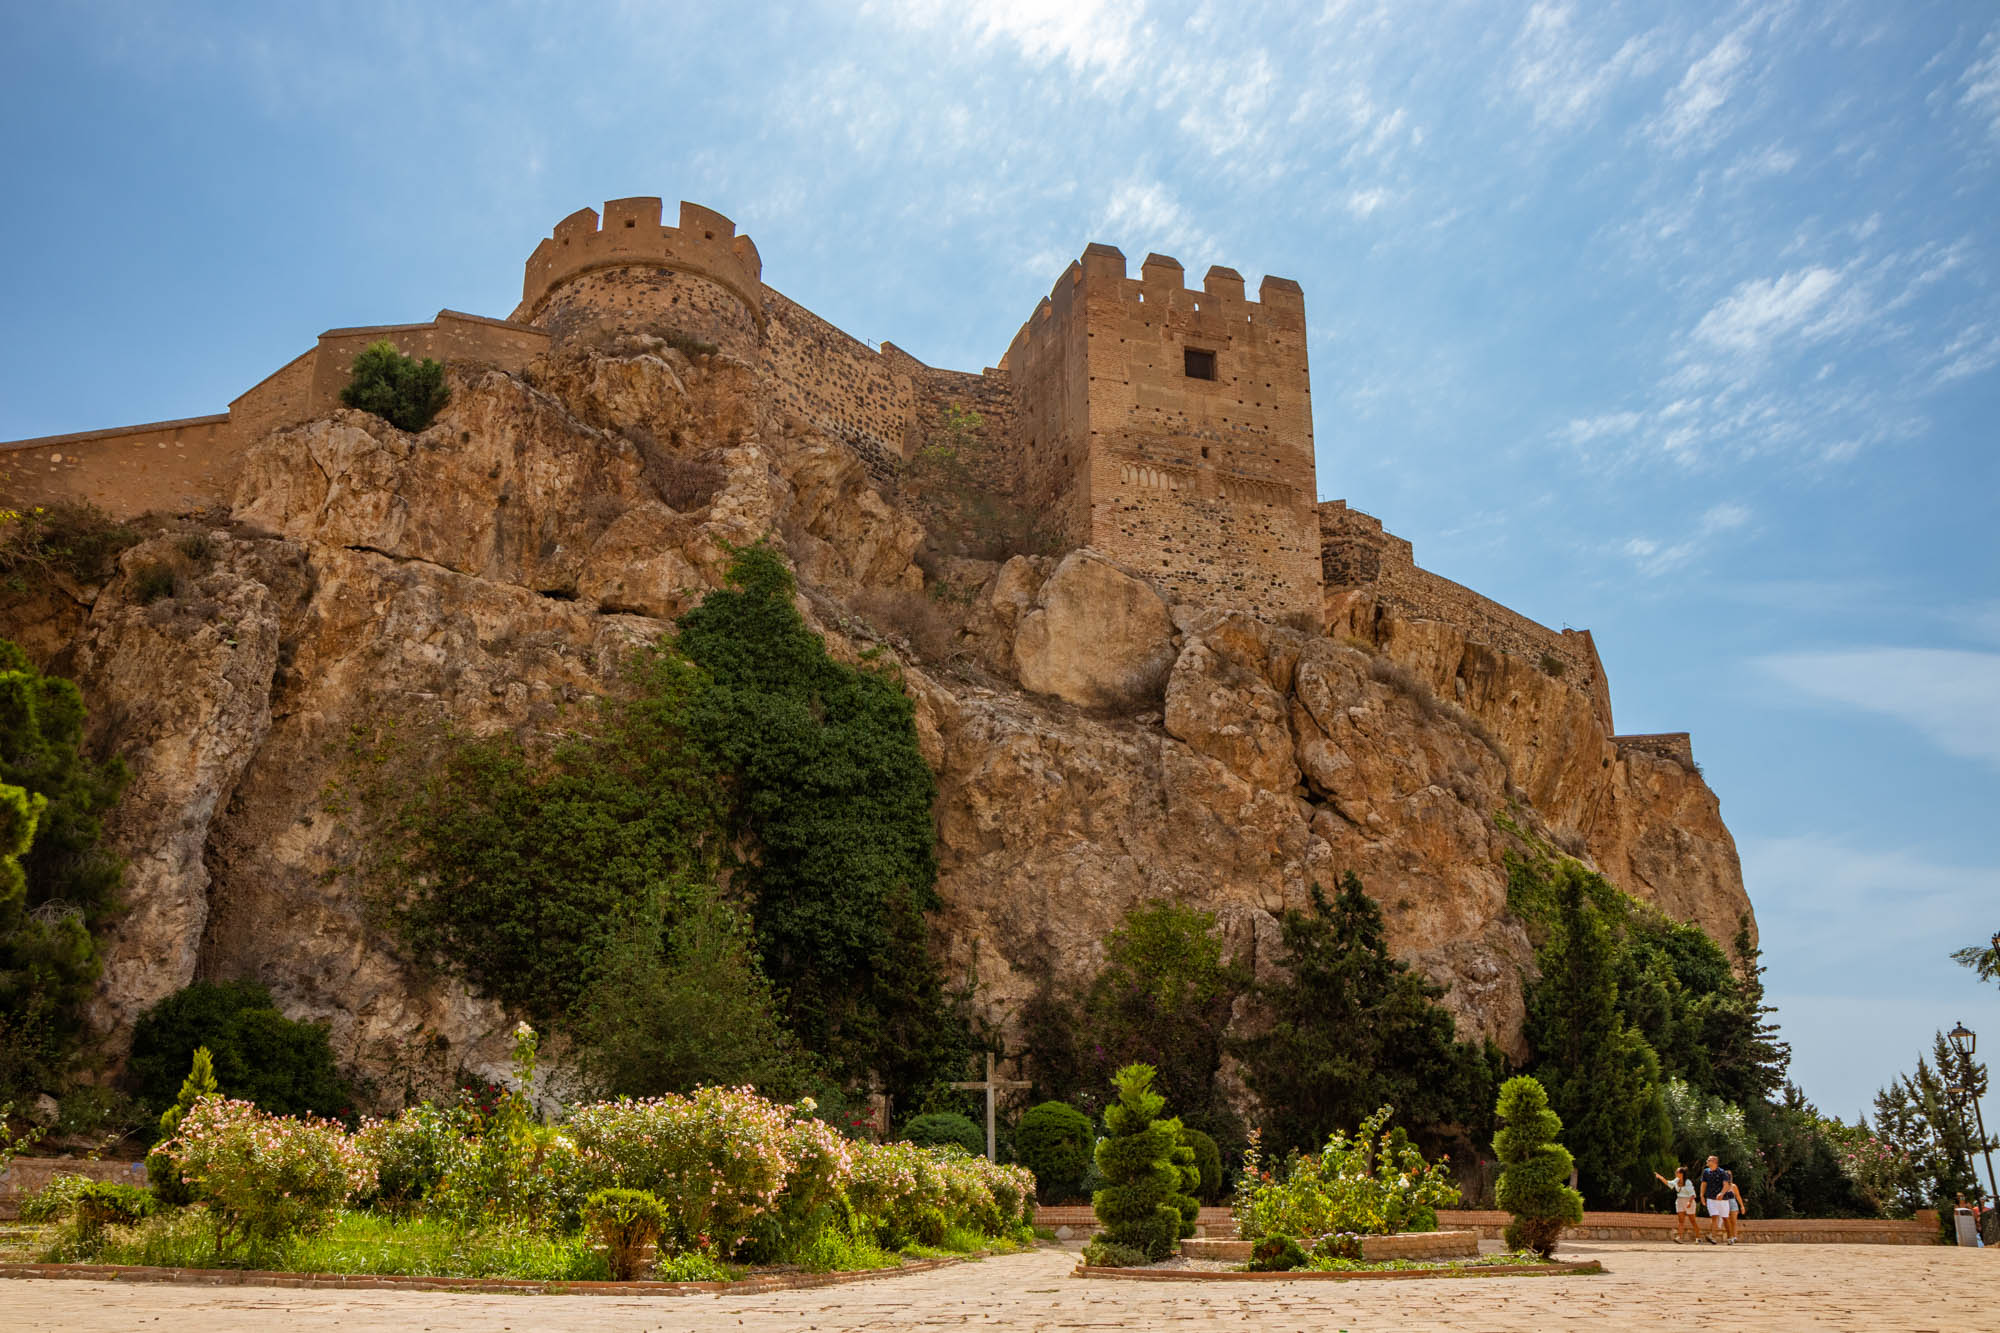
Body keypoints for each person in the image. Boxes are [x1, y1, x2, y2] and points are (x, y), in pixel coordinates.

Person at [1654, 1166, 1699, 1242]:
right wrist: (1660, 1177)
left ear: (1681, 1174)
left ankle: (1698, 1237)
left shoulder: (1688, 1182)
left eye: (1677, 1172)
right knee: (1681, 1220)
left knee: (1692, 1220)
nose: (1675, 1173)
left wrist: (1690, 1202)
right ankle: (1679, 1238)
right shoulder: (1676, 1180)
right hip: (1680, 1201)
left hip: (1689, 1200)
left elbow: (1693, 1194)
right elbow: (1669, 1183)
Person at [1698, 1154, 1734, 1245]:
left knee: (1725, 1218)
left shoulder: (1723, 1172)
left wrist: (1721, 1193)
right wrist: (1702, 1195)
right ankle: (1713, 1237)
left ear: (1714, 1162)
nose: (1707, 1161)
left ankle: (1730, 1237)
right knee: (1714, 1217)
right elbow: (1703, 1184)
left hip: (1723, 1200)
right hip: (1711, 1198)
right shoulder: (1706, 1172)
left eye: (1709, 1160)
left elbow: (1726, 1185)